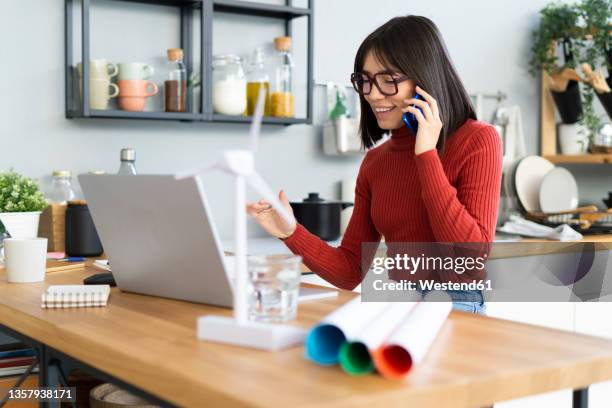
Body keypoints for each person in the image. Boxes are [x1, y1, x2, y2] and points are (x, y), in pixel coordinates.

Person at [247, 15, 502, 314]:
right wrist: (290, 231)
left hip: (455, 305)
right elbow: (349, 270)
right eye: (365, 80)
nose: (372, 94)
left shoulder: (478, 139)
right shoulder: (375, 162)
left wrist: (426, 156)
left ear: (425, 79)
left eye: (388, 80)